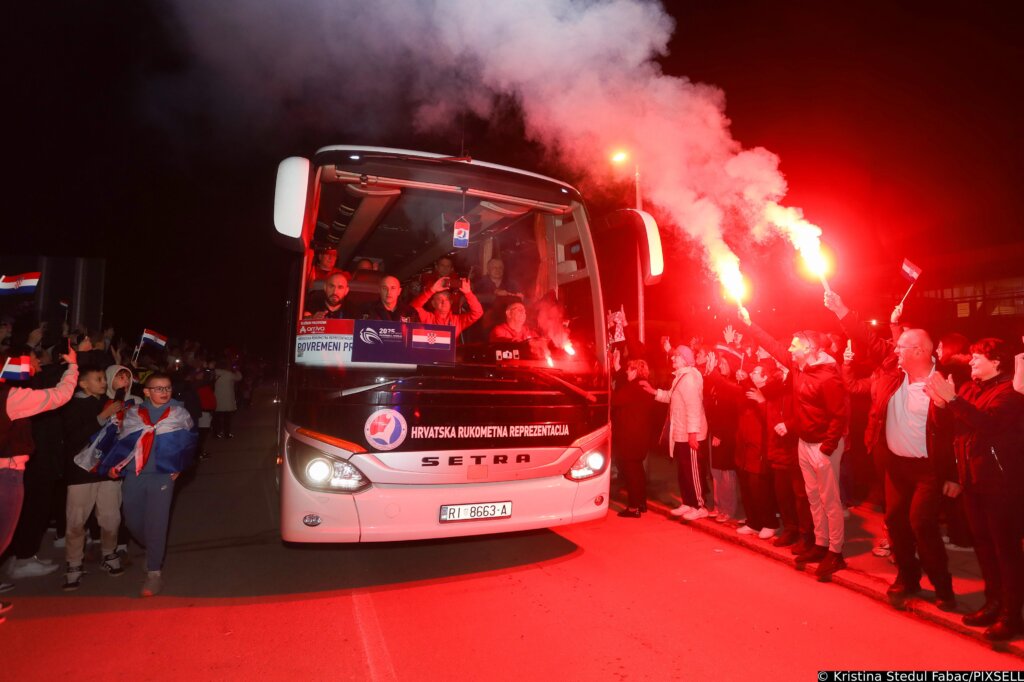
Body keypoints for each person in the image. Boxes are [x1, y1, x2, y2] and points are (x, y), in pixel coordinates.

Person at [826, 292, 959, 608]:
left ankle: (943, 588)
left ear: (919, 351)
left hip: (927, 470)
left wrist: (953, 475)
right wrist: (843, 310)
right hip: (895, 465)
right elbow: (869, 339)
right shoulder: (892, 369)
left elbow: (957, 435)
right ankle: (908, 578)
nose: (894, 349)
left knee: (921, 525)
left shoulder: (945, 380)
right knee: (896, 523)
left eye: (901, 347)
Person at [925, 338, 1024, 640]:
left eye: (977, 358)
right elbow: (951, 428)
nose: (971, 362)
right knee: (983, 547)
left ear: (996, 363)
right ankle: (992, 604)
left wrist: (953, 401)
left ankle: (1012, 615)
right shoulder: (970, 388)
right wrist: (942, 405)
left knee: (1005, 551)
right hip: (973, 481)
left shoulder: (1010, 392)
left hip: (1001, 484)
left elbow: (989, 424)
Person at [740, 306, 848, 580]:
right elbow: (774, 347)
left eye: (795, 345)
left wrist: (827, 447)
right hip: (804, 443)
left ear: (810, 348)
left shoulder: (827, 375)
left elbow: (840, 414)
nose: (789, 348)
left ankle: (836, 553)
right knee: (813, 498)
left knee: (830, 501)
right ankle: (819, 544)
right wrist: (750, 323)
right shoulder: (799, 368)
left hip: (824, 445)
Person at [98, 372, 197, 597]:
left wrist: (180, 467)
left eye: (168, 388)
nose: (164, 392)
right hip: (134, 474)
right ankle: (153, 548)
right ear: (146, 391)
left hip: (162, 476)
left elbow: (190, 442)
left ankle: (154, 572)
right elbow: (121, 441)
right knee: (132, 521)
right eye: (158, 388)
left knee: (157, 522)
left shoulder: (179, 413)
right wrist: (115, 465)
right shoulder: (133, 413)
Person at [0, 343, 78, 623]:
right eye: (28, 359)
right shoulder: (10, 397)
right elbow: (59, 396)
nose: (33, 362)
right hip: (5, 473)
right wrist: (72, 367)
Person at [60, 366, 125, 590]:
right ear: (83, 384)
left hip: (107, 470)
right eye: (98, 379)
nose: (104, 382)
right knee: (76, 522)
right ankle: (74, 563)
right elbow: (74, 437)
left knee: (110, 518)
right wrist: (102, 418)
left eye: (103, 379)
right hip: (80, 473)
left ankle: (109, 553)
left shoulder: (108, 402)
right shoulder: (72, 406)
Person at [642, 345, 709, 521]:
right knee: (684, 471)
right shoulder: (680, 377)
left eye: (676, 356)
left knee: (693, 471)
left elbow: (693, 407)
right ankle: (688, 502)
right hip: (681, 433)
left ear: (685, 359)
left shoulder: (689, 379)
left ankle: (699, 506)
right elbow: (672, 398)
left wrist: (693, 434)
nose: (672, 359)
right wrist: (653, 392)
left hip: (689, 434)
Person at [611, 356, 657, 517]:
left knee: (631, 473)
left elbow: (615, 400)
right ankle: (641, 503)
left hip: (629, 438)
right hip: (641, 437)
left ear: (635, 371)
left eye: (628, 370)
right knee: (638, 471)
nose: (626, 372)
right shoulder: (644, 387)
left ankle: (633, 507)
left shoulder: (633, 388)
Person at [410, 276, 483, 337]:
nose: (444, 302)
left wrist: (468, 293)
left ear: (451, 302)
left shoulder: (457, 321)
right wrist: (432, 290)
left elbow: (478, 313)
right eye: (439, 299)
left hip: (450, 354)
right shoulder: (427, 318)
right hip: (429, 353)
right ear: (433, 304)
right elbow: (412, 308)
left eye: (447, 299)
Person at [212, 359, 242, 439]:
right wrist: (236, 370)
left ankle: (216, 433)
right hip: (227, 399)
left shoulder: (213, 373)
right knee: (227, 418)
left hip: (216, 398)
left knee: (216, 418)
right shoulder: (229, 374)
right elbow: (239, 378)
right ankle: (227, 433)